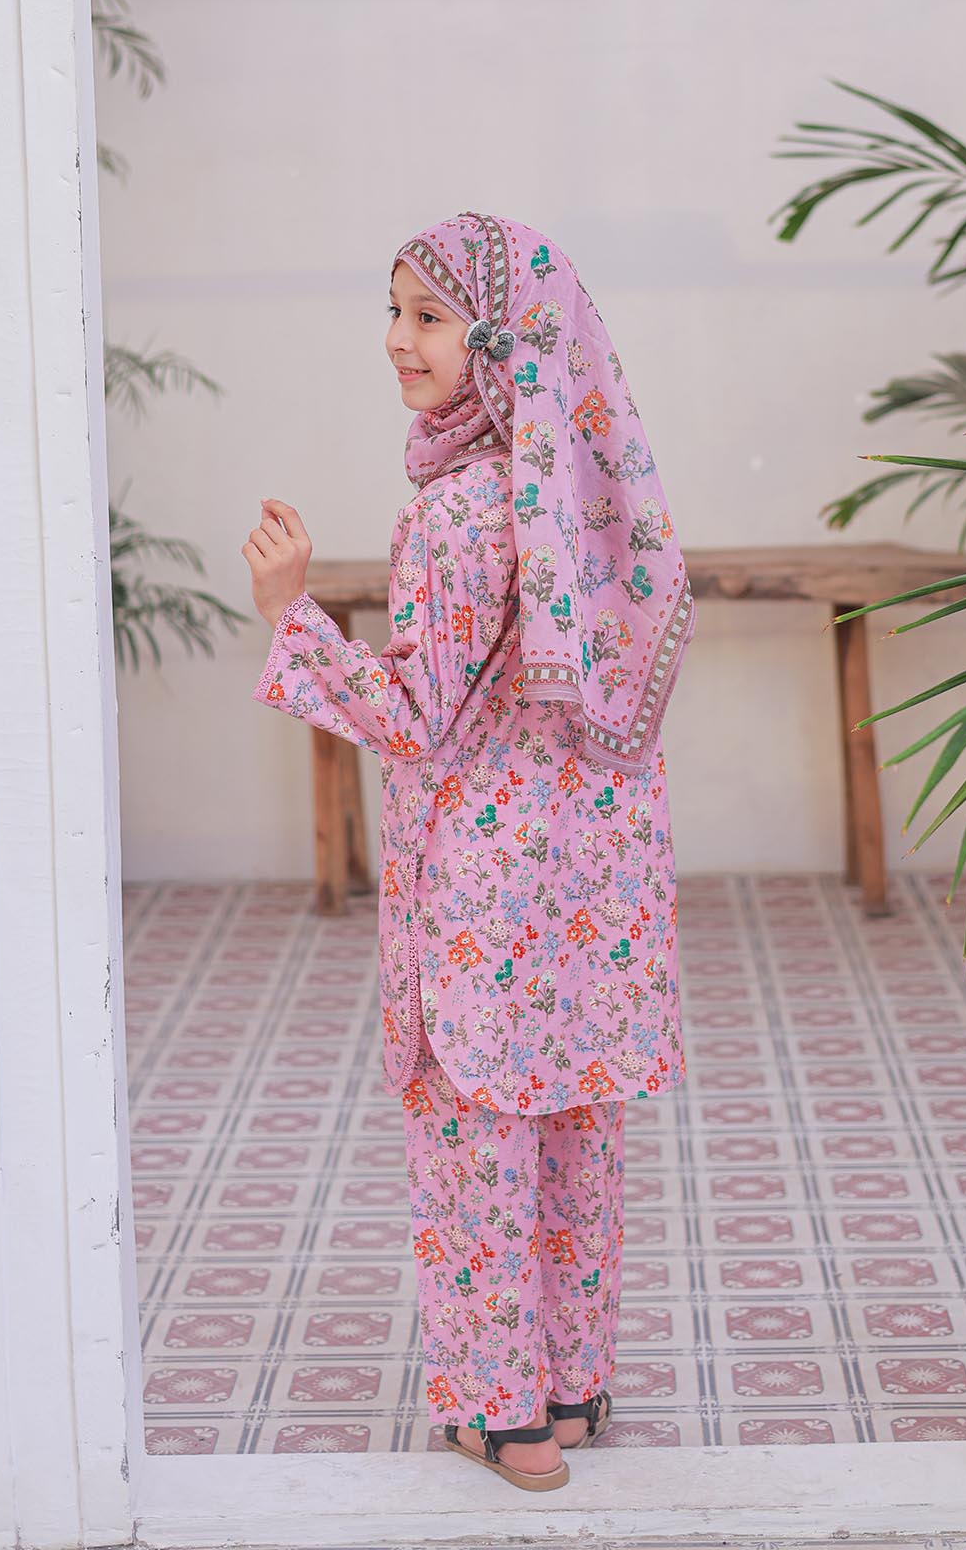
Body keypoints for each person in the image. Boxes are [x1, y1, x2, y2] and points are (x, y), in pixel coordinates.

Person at [243, 209, 695, 1492]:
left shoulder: (454, 514)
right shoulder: (581, 490)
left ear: (502, 337)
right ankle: (572, 1384)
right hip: (585, 894)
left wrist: (291, 613)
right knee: (570, 1127)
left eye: (431, 316)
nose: (399, 341)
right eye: (392, 312)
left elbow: (404, 715)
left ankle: (501, 1414)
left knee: (474, 1140)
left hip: (480, 904)